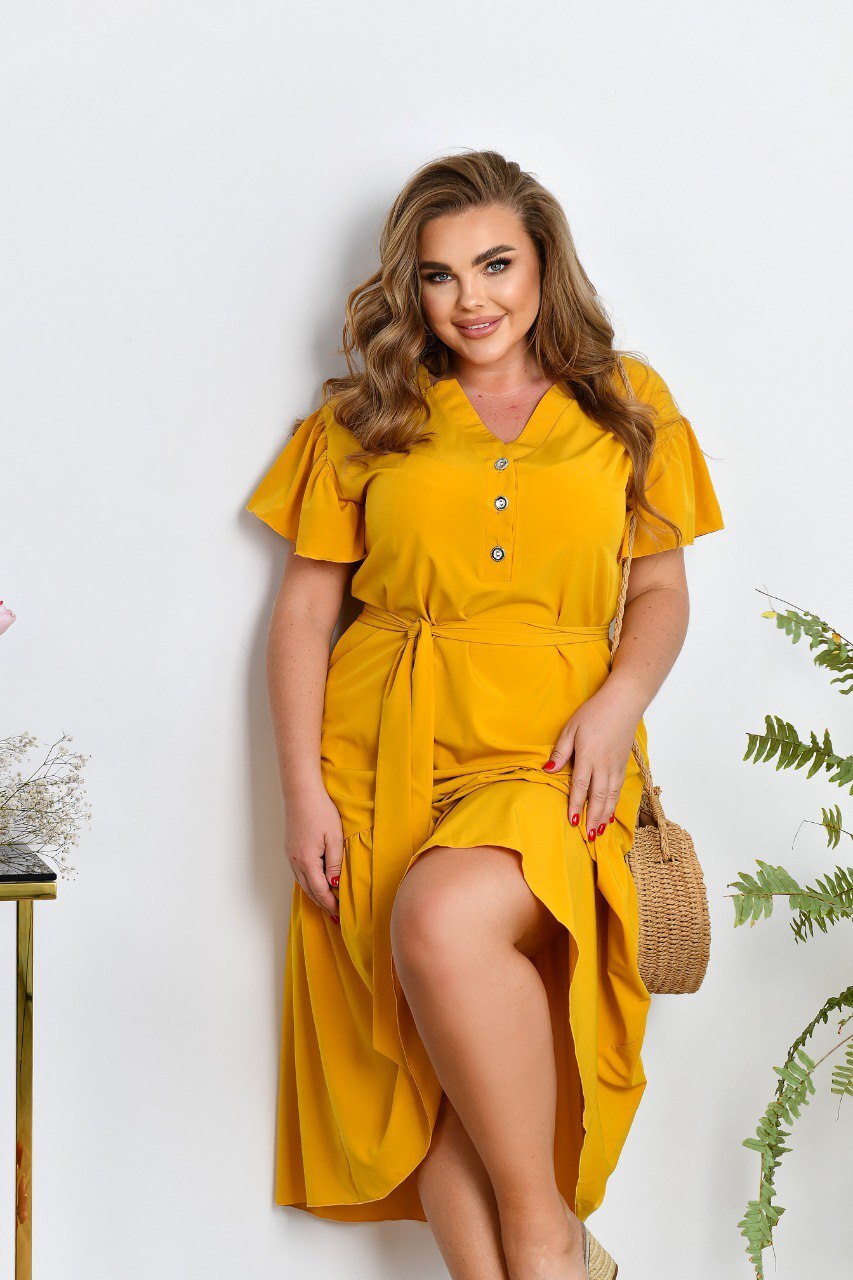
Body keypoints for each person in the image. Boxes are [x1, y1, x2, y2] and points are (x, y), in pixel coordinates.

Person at [246, 149, 725, 1280]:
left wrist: (618, 701)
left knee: (443, 919)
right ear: (407, 288)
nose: (471, 300)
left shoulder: (627, 403)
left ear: (544, 262)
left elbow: (660, 591)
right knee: (434, 1077)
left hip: (559, 749)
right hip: (384, 753)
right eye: (439, 275)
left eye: (495, 264)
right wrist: (303, 791)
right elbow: (303, 615)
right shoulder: (365, 415)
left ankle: (550, 1238)